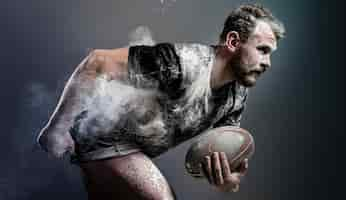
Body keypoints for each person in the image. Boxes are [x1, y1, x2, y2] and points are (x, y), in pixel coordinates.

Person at [37, 4, 285, 200]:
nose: (268, 63)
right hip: (103, 139)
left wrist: (228, 181)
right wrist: (56, 131)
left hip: (133, 149)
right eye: (262, 50)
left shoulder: (237, 95)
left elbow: (224, 156)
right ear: (232, 42)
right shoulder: (182, 63)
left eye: (270, 54)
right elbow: (97, 62)